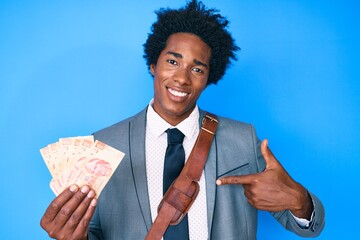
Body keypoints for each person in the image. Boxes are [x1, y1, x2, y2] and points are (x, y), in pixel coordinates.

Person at [40, 0, 325, 239]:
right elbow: (92, 232)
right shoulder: (102, 145)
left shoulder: (243, 139)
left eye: (197, 69)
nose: (181, 78)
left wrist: (299, 201)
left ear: (208, 79)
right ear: (153, 64)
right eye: (173, 61)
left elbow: (310, 226)